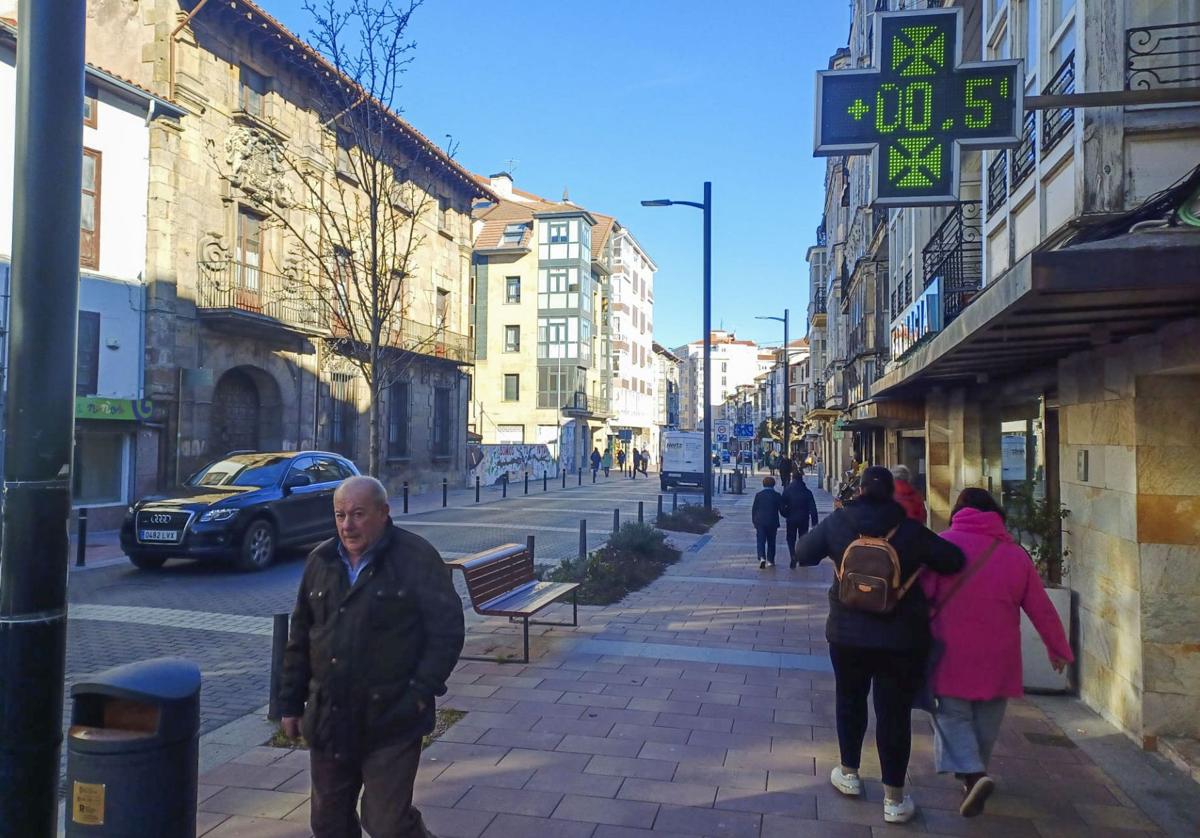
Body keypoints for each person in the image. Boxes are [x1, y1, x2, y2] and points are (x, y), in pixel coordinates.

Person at [280, 476, 465, 837]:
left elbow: (446, 632)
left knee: (387, 824)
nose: (347, 525)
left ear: (383, 513)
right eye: (340, 515)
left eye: (358, 514)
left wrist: (418, 694)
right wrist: (289, 703)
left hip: (391, 718)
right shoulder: (321, 561)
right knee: (328, 822)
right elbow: (300, 635)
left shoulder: (415, 558)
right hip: (330, 718)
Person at [792, 466, 964, 825]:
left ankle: (849, 774)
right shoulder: (911, 530)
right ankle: (894, 799)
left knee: (850, 700)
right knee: (893, 713)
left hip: (847, 634)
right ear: (890, 493)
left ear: (859, 491)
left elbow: (803, 552)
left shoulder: (840, 522)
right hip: (900, 639)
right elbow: (953, 560)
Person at [923, 489, 1074, 818]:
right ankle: (973, 777)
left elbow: (922, 596)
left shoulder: (941, 546)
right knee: (986, 721)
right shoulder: (1015, 554)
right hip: (998, 654)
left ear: (957, 512)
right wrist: (1057, 648)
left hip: (949, 651)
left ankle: (974, 774)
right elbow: (1041, 608)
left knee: (951, 716)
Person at [781, 469, 820, 566]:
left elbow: (782, 505)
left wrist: (785, 514)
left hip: (791, 518)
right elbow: (813, 508)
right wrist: (815, 523)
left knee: (790, 538)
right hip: (804, 518)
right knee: (803, 538)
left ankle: (793, 555)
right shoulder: (807, 491)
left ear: (792, 478)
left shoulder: (787, 490)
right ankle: (802, 559)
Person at [751, 476, 785, 569]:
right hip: (772, 521)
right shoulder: (777, 495)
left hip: (760, 522)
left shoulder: (759, 495)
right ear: (773, 484)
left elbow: (754, 509)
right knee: (771, 541)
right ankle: (770, 560)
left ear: (763, 484)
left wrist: (754, 520)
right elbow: (782, 509)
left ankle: (762, 557)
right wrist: (787, 514)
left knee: (760, 540)